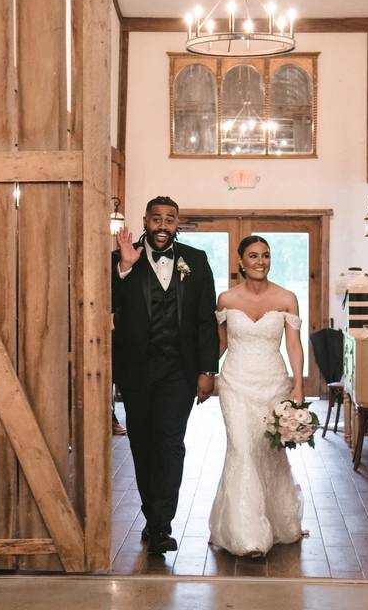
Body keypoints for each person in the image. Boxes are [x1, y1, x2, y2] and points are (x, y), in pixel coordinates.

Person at [111, 196, 219, 554]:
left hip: (179, 370)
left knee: (171, 443)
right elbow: (107, 306)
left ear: (177, 223)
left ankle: (161, 525)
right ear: (145, 220)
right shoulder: (121, 259)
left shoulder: (198, 261)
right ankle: (151, 516)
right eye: (155, 218)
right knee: (142, 445)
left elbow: (206, 320)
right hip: (136, 370)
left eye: (169, 219)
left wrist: (207, 370)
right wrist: (126, 269)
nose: (161, 225)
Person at [208, 235, 307, 557]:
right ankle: (246, 534)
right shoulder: (226, 299)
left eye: (265, 255)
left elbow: (293, 344)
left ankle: (276, 524)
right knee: (241, 449)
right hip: (235, 383)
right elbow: (220, 344)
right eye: (253, 256)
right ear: (240, 261)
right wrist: (205, 373)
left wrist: (298, 385)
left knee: (268, 453)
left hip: (273, 384)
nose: (260, 261)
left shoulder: (287, 298)